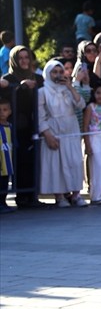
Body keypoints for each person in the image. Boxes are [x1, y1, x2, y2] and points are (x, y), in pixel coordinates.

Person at [37, 59, 87, 207]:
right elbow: (40, 115)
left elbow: (81, 104)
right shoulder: (42, 91)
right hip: (54, 130)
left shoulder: (67, 89)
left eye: (60, 71)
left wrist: (71, 87)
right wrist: (47, 134)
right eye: (54, 72)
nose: (58, 75)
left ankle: (76, 195)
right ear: (48, 73)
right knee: (56, 164)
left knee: (74, 161)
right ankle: (59, 196)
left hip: (71, 128)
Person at [2, 46, 44, 208]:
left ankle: (32, 195)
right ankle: (22, 197)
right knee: (20, 161)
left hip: (34, 124)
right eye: (21, 58)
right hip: (16, 126)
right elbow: (6, 99)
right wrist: (21, 86)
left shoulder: (37, 78)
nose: (24, 61)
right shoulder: (9, 78)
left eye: (27, 57)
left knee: (33, 160)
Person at [0, 96, 13, 212]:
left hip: (7, 161)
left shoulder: (10, 127)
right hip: (1, 162)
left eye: (4, 110)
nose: (2, 113)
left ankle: (3, 203)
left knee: (5, 183)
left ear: (9, 111)